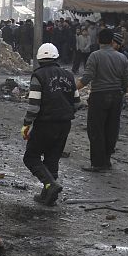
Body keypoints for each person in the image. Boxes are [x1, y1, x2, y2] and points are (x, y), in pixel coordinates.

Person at [21, 44, 80, 206]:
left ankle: (50, 185)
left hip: (45, 124)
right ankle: (48, 196)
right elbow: (77, 102)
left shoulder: (38, 75)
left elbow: (34, 106)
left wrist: (26, 124)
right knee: (52, 160)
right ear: (56, 57)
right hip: (64, 124)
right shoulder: (68, 75)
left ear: (39, 59)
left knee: (31, 157)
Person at [76, 29, 128, 171]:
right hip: (117, 97)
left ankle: (98, 164)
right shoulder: (122, 58)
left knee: (96, 129)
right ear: (112, 41)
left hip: (99, 96)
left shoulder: (95, 56)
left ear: (98, 40)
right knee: (111, 128)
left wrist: (71, 91)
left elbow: (86, 79)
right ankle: (107, 161)